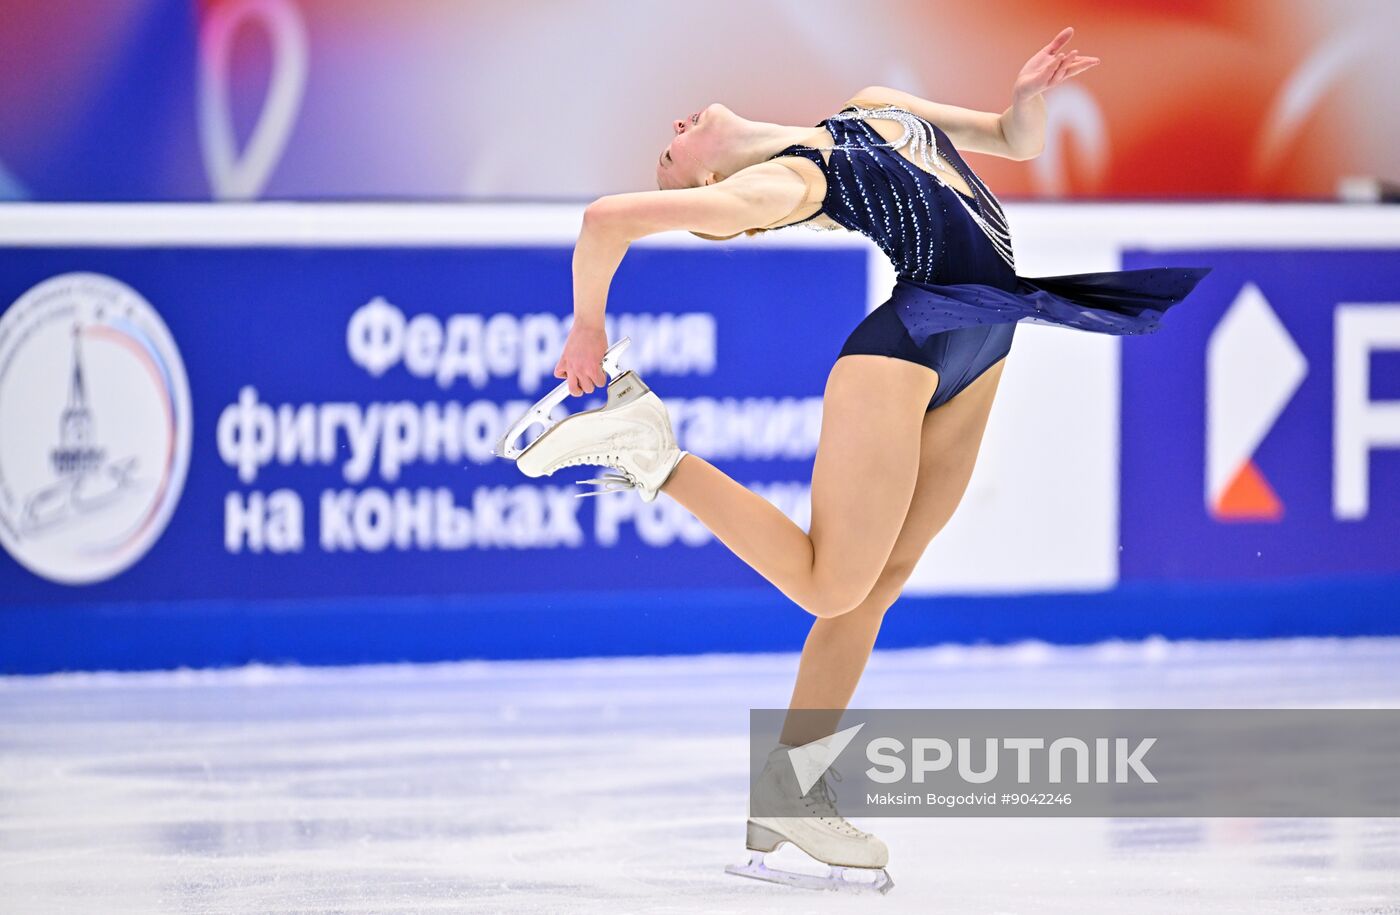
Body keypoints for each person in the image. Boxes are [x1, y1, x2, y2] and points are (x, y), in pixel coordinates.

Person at [508, 27, 1209, 893]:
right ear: (710, 184)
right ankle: (654, 453)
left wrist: (1027, 97)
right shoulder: (782, 184)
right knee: (831, 583)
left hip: (986, 338)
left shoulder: (872, 109)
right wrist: (589, 327)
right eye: (671, 153)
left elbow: (1009, 138)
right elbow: (603, 218)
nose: (676, 128)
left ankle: (791, 792)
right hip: (905, 351)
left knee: (878, 584)